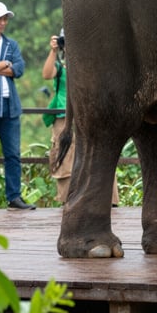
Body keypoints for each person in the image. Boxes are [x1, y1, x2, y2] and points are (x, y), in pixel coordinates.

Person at [42, 30, 119, 205]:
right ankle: (67, 201)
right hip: (63, 117)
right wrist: (53, 51)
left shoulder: (91, 63)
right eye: (66, 42)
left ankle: (109, 201)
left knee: (102, 156)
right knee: (65, 157)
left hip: (90, 114)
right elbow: (46, 74)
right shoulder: (61, 68)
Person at [0, 1, 33, 210]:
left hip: (10, 108)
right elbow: (12, 66)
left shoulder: (12, 45)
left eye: (4, 19)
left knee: (12, 155)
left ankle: (14, 197)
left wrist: (6, 66)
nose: (2, 23)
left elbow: (19, 69)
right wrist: (5, 64)